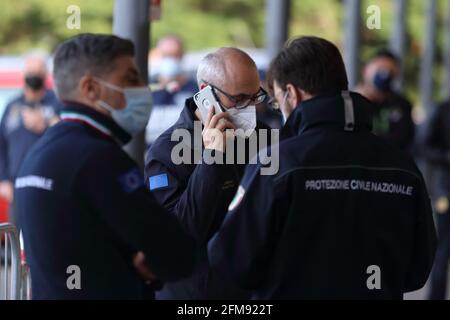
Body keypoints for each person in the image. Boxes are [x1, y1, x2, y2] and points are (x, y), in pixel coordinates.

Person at [208, 36, 437, 299]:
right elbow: (418, 267)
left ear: (291, 94)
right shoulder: (402, 166)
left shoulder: (277, 163)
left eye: (277, 98)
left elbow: (232, 261)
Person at [14, 34, 197, 300]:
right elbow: (177, 255)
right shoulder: (99, 159)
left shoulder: (40, 152)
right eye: (130, 78)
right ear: (90, 88)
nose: (142, 87)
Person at [145, 47, 273, 299]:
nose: (248, 107)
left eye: (254, 97)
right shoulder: (166, 150)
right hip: (195, 292)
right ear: (206, 93)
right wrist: (213, 157)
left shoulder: (263, 135)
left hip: (251, 288)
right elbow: (179, 236)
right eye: (238, 99)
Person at [0, 54, 62, 229]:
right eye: (31, 71)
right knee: (16, 241)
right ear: (24, 73)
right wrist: (3, 179)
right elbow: (1, 144)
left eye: (38, 71)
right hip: (16, 187)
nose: (34, 75)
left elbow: (66, 135)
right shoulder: (13, 105)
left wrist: (45, 124)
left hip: (48, 184)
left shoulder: (56, 103)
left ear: (45, 74)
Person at [356, 49, 415, 153]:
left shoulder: (402, 105)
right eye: (379, 69)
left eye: (390, 71)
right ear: (365, 71)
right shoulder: (350, 103)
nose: (385, 75)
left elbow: (404, 141)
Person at [421, 100, 450, 300]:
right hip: (446, 190)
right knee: (443, 249)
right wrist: (446, 156)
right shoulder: (444, 110)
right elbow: (425, 146)